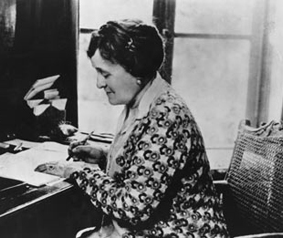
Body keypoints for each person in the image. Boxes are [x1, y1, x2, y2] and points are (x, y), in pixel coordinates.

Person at [36, 19, 229, 238]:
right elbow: (152, 165)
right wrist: (103, 157)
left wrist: (80, 171)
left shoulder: (165, 116)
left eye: (105, 74)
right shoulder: (145, 101)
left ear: (136, 70)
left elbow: (133, 207)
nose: (99, 83)